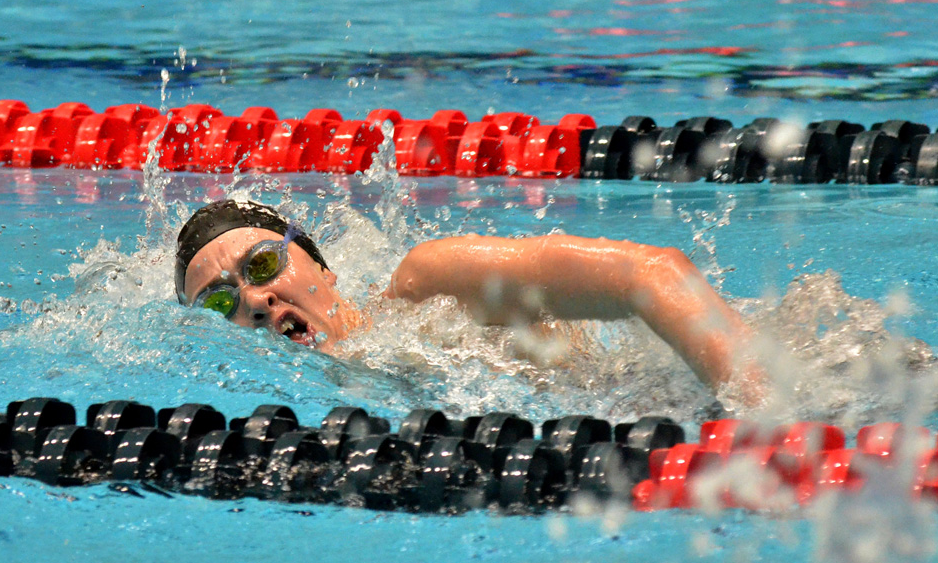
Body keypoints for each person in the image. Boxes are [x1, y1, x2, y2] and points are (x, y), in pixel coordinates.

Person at [175, 200, 763, 400]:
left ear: (319, 263)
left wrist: (763, 410)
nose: (252, 300)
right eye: (219, 304)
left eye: (261, 265)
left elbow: (653, 273)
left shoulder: (427, 285)